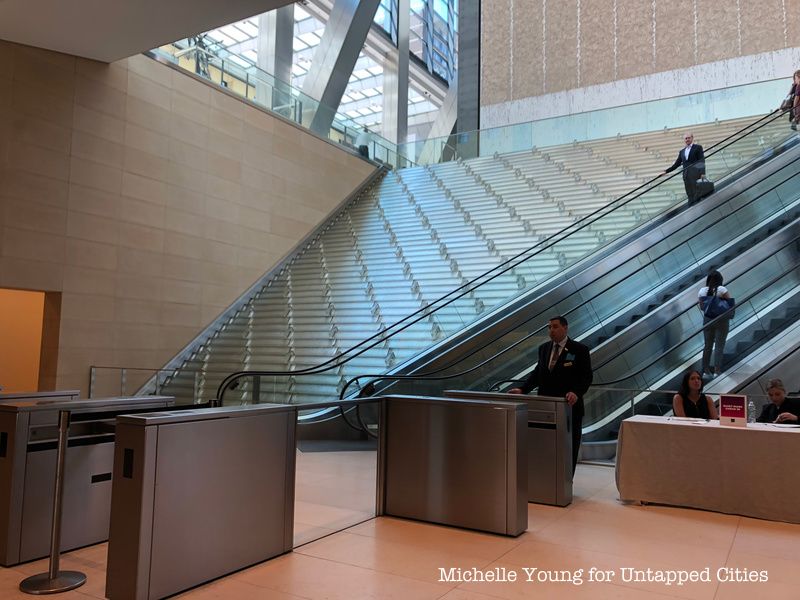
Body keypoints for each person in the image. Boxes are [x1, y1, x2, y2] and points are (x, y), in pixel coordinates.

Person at [509, 316, 593, 475]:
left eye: (555, 327)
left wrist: (576, 392)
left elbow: (586, 377)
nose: (551, 330)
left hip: (569, 408)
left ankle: (567, 482)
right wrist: (523, 389)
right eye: (549, 327)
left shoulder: (579, 349)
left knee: (569, 446)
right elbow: (537, 373)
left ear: (565, 328)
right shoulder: (544, 348)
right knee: (546, 444)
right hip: (546, 408)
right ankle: (547, 481)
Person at [698, 270, 732, 378]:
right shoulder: (722, 289)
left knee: (707, 346)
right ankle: (717, 371)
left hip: (708, 320)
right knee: (719, 346)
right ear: (720, 280)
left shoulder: (702, 291)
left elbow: (702, 307)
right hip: (721, 320)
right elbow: (730, 304)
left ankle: (705, 371)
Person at [660, 132, 705, 203]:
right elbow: (676, 164)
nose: (687, 139)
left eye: (689, 138)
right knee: (689, 192)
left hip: (695, 173)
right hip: (686, 175)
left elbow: (701, 161)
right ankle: (691, 205)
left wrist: (702, 173)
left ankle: (698, 205)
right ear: (684, 140)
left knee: (697, 192)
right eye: (686, 138)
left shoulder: (698, 147)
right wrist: (666, 171)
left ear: (692, 138)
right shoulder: (682, 151)